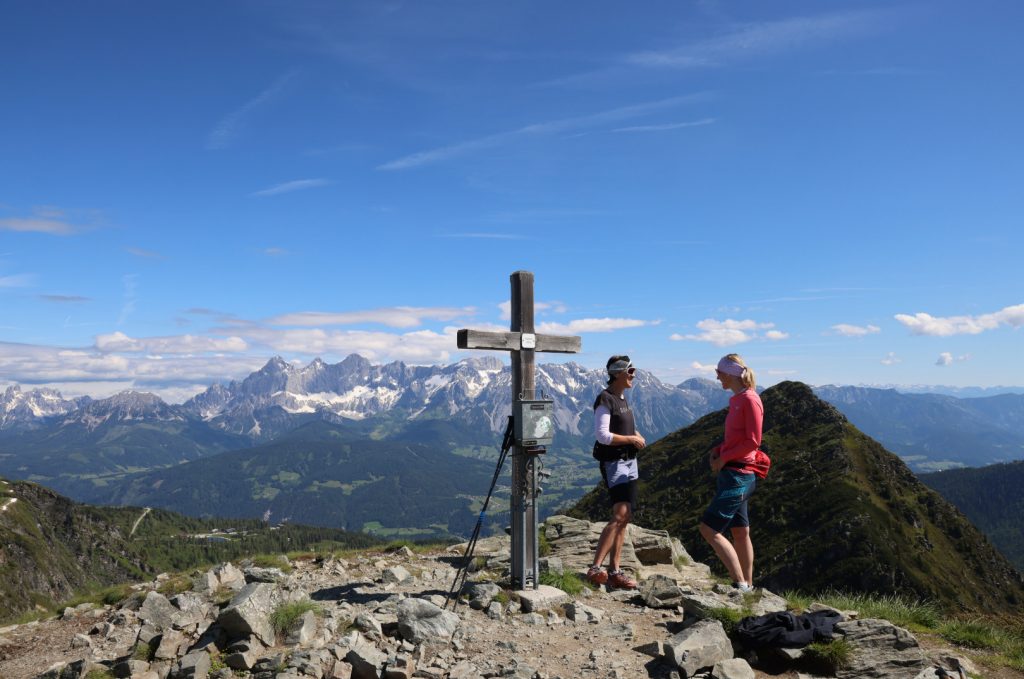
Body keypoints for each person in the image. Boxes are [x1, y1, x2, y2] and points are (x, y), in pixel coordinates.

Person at [699, 353, 763, 592]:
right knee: (740, 531)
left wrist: (724, 457)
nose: (717, 377)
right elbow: (738, 438)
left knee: (709, 529)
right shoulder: (737, 399)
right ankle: (749, 585)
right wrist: (718, 450)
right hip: (733, 472)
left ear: (730, 373)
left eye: (719, 372)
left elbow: (753, 441)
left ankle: (740, 584)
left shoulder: (750, 400)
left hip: (739, 475)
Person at [586, 355, 647, 589]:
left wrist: (636, 435)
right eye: (630, 371)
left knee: (626, 515)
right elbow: (602, 435)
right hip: (615, 463)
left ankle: (615, 571)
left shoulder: (621, 399)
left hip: (630, 462)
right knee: (620, 514)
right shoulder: (606, 399)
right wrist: (631, 438)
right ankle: (595, 568)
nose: (633, 375)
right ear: (618, 373)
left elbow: (622, 426)